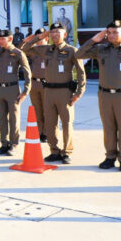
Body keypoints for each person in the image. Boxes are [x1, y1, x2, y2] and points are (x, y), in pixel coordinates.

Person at [76, 21, 121, 171]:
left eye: (116, 32)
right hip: (105, 95)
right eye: (109, 32)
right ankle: (110, 157)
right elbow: (78, 54)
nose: (112, 35)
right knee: (108, 128)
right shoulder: (100, 49)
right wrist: (95, 39)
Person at [21, 23, 86, 164]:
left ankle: (66, 151)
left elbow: (81, 73)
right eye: (52, 32)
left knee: (67, 123)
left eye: (58, 31)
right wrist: (39, 37)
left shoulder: (72, 51)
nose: (55, 34)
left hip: (65, 92)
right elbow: (25, 49)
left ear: (65, 34)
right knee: (50, 123)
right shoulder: (45, 49)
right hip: (48, 91)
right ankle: (54, 150)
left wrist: (79, 93)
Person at [0, 29, 31, 156]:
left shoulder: (18, 53)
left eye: (3, 39)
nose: (1, 41)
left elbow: (27, 72)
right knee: (1, 118)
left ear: (10, 39)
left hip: (12, 89)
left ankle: (13, 144)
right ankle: (4, 143)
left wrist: (25, 91)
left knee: (13, 118)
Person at [21, 27, 48, 142]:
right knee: (37, 109)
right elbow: (20, 51)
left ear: (46, 38)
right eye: (37, 38)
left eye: (40, 38)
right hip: (34, 83)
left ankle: (46, 133)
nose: (38, 40)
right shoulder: (34, 51)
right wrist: (26, 41)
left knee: (47, 110)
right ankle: (39, 131)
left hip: (47, 84)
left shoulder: (51, 49)